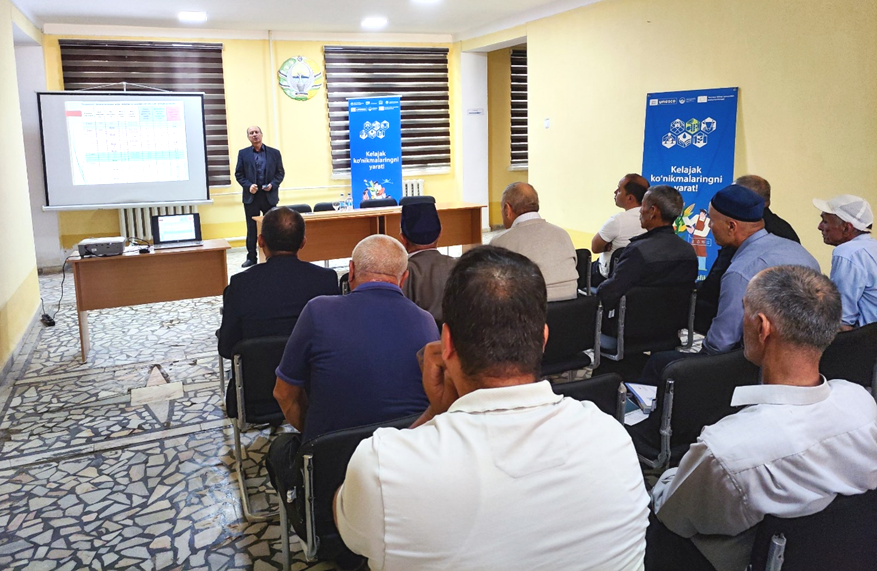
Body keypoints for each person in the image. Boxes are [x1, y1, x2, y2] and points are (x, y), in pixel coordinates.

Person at [334, 246, 649, 571]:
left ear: (447, 344)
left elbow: (347, 520)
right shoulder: (612, 437)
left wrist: (435, 413)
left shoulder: (385, 465)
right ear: (543, 339)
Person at [649, 265, 877, 571]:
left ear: (761, 327)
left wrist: (672, 476)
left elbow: (672, 513)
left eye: (744, 310)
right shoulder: (862, 403)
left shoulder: (727, 450)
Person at [266, 235, 439, 499]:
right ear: (403, 278)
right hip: (402, 474)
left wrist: (318, 439)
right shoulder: (426, 322)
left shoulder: (317, 311)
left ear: (352, 270)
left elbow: (283, 393)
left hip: (329, 478)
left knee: (279, 450)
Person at [217, 207, 339, 417]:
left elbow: (227, 348)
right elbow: (336, 338)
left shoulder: (240, 285)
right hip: (315, 392)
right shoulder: (325, 280)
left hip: (255, 396)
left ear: (260, 241)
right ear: (303, 242)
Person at [702, 183, 819, 354]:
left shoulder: (741, 272)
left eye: (711, 221)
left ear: (731, 226)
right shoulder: (798, 250)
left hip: (763, 361)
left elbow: (721, 342)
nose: (709, 226)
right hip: (809, 355)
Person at [695, 174, 799, 332]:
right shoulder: (788, 233)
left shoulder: (739, 250)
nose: (710, 226)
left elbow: (715, 288)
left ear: (732, 226)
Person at [595, 185, 698, 311]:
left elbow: (609, 294)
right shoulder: (689, 251)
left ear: (653, 211)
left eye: (642, 206)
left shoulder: (638, 251)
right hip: (676, 321)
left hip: (634, 320)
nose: (640, 211)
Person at [491, 182, 578, 301]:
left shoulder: (501, 241)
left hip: (529, 309)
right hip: (572, 308)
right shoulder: (563, 234)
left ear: (507, 209)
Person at [814, 194, 877, 329]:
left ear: (847, 228)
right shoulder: (872, 248)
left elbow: (842, 318)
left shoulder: (848, 253)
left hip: (868, 338)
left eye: (825, 221)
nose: (819, 227)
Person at [235, 126, 285, 268]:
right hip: (251, 196)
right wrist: (248, 186)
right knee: (251, 228)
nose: (254, 135)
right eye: (251, 133)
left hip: (269, 195)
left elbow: (280, 173)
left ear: (261, 134)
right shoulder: (243, 154)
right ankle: (251, 257)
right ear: (248, 137)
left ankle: (273, 256)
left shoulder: (274, 153)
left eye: (257, 132)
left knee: (272, 227)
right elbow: (239, 174)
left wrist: (273, 185)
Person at [399, 202, 456, 323]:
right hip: (457, 333)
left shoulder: (402, 273)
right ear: (440, 233)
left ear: (403, 238)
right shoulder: (459, 266)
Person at [590, 173, 649, 286]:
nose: (615, 192)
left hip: (609, 278)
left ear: (630, 198)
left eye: (619, 189)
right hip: (639, 279)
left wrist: (606, 245)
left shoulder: (617, 220)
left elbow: (595, 247)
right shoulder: (652, 219)